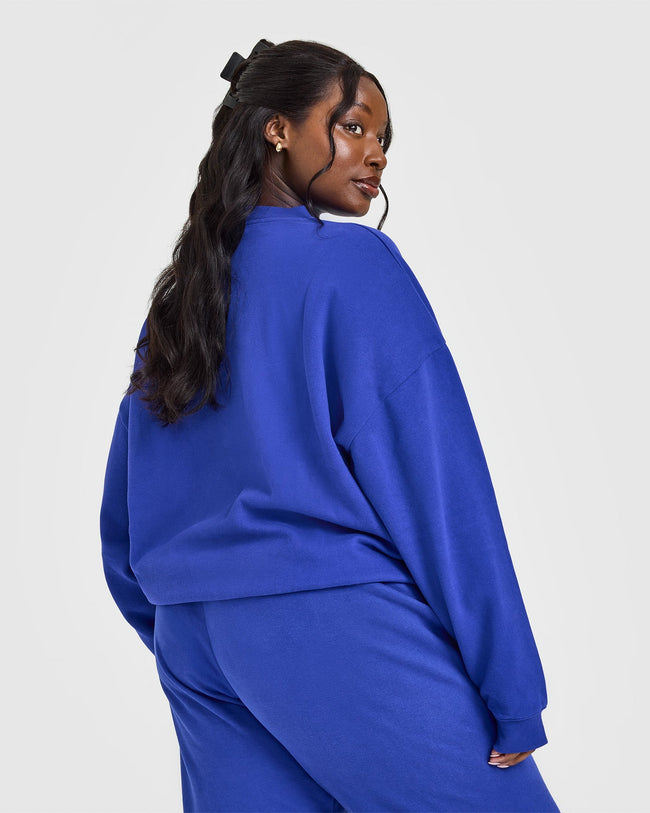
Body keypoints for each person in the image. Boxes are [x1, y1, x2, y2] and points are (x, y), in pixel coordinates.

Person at [100, 38, 561, 813]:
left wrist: (194, 620)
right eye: (352, 126)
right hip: (329, 625)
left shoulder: (185, 295)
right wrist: (511, 684)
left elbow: (126, 508)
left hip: (196, 642)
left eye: (382, 137)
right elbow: (439, 486)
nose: (375, 152)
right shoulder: (354, 266)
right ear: (278, 129)